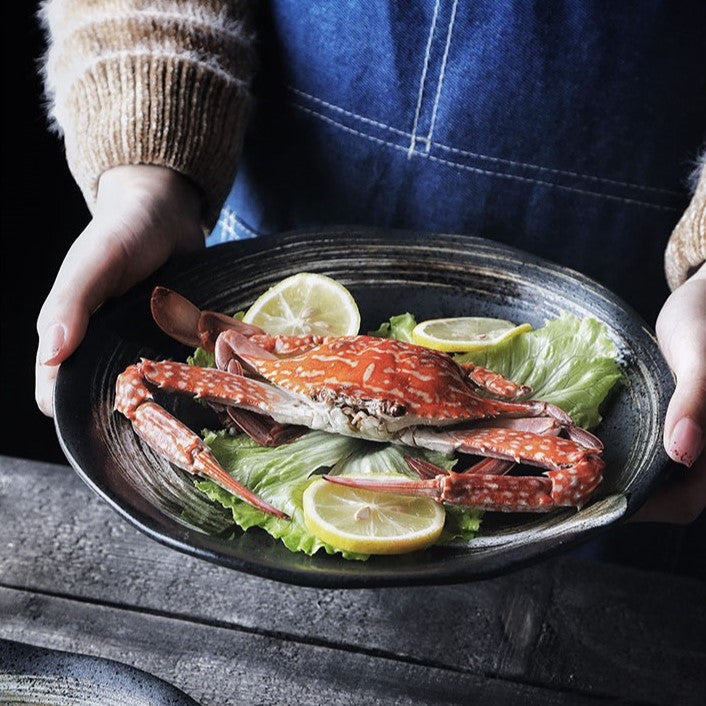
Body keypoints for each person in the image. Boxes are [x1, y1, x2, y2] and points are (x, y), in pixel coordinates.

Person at [35, 2, 705, 541]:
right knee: (138, 375)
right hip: (273, 244)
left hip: (622, 284)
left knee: (590, 465)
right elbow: (175, 364)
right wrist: (148, 182)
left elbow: (574, 452)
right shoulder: (274, 362)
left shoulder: (480, 413)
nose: (362, 416)